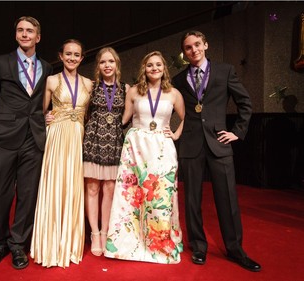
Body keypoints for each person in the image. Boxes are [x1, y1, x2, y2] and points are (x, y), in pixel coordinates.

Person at [172, 30, 261, 272]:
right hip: (190, 145)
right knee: (191, 199)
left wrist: (237, 132)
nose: (194, 50)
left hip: (219, 142)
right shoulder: (179, 80)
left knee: (228, 198)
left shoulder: (224, 71)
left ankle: (235, 249)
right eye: (188, 47)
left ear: (206, 45)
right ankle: (198, 247)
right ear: (185, 52)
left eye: (197, 45)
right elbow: (170, 109)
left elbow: (245, 103)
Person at [0, 16, 53, 270]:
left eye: (30, 31)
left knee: (28, 194)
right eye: (21, 30)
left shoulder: (47, 67)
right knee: (0, 192)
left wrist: (48, 118)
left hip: (33, 139)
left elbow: (45, 103)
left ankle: (18, 244)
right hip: (3, 139)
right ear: (16, 35)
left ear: (38, 37)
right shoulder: (0, 62)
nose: (25, 34)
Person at [105, 51, 185, 264]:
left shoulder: (174, 93)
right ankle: (129, 242)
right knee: (132, 195)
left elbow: (187, 118)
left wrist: (175, 134)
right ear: (144, 68)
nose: (154, 68)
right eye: (149, 65)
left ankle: (159, 244)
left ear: (164, 68)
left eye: (158, 64)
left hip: (162, 147)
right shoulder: (133, 91)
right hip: (136, 147)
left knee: (160, 197)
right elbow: (123, 119)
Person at [30, 39, 93, 268]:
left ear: (82, 58)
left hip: (78, 137)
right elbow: (41, 110)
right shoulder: (51, 80)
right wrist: (45, 117)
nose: (72, 58)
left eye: (76, 55)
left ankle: (70, 242)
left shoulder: (88, 83)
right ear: (60, 55)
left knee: (73, 187)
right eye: (68, 54)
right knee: (56, 185)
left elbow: (90, 114)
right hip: (57, 137)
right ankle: (51, 243)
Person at [83, 47, 130, 256]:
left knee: (109, 190)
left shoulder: (126, 89)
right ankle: (94, 232)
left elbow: (130, 117)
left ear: (117, 64)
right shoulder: (90, 88)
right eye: (103, 62)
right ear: (98, 66)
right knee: (92, 189)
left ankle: (105, 231)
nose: (107, 65)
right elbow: (80, 114)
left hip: (115, 145)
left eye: (111, 61)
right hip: (93, 142)